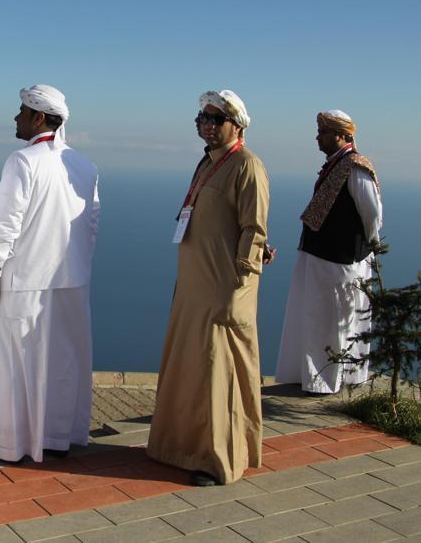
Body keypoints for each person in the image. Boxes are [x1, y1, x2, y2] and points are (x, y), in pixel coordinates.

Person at [147, 90, 269, 487]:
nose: (209, 125)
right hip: (193, 285)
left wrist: (240, 292)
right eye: (204, 117)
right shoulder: (206, 163)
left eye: (217, 119)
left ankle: (218, 460)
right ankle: (177, 448)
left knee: (219, 371)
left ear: (237, 125)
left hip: (223, 287)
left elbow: (255, 231)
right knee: (190, 367)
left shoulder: (247, 166)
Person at [0, 84, 100, 463]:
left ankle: (9, 443)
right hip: (72, 280)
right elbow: (92, 224)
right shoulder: (85, 164)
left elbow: (6, 223)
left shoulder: (22, 161)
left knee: (17, 363)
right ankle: (57, 437)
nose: (16, 118)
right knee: (63, 365)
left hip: (26, 281)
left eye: (22, 112)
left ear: (38, 117)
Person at [275, 110, 382, 394]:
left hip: (342, 259)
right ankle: (314, 377)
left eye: (322, 132)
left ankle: (331, 379)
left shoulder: (356, 167)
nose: (317, 137)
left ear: (341, 135)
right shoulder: (336, 165)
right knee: (314, 315)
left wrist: (368, 247)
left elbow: (372, 214)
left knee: (336, 318)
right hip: (320, 255)